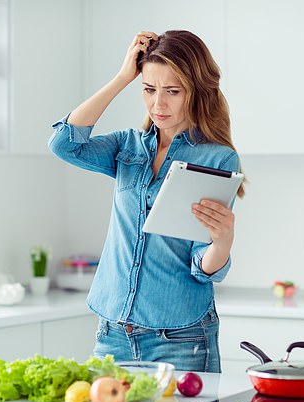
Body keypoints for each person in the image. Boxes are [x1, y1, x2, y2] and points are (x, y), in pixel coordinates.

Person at [48, 30, 245, 373]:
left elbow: (202, 264)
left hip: (181, 338)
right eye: (149, 89)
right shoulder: (128, 147)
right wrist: (124, 76)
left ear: (196, 91)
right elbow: (64, 144)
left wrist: (223, 241)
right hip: (113, 334)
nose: (158, 104)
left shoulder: (217, 158)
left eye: (172, 91)